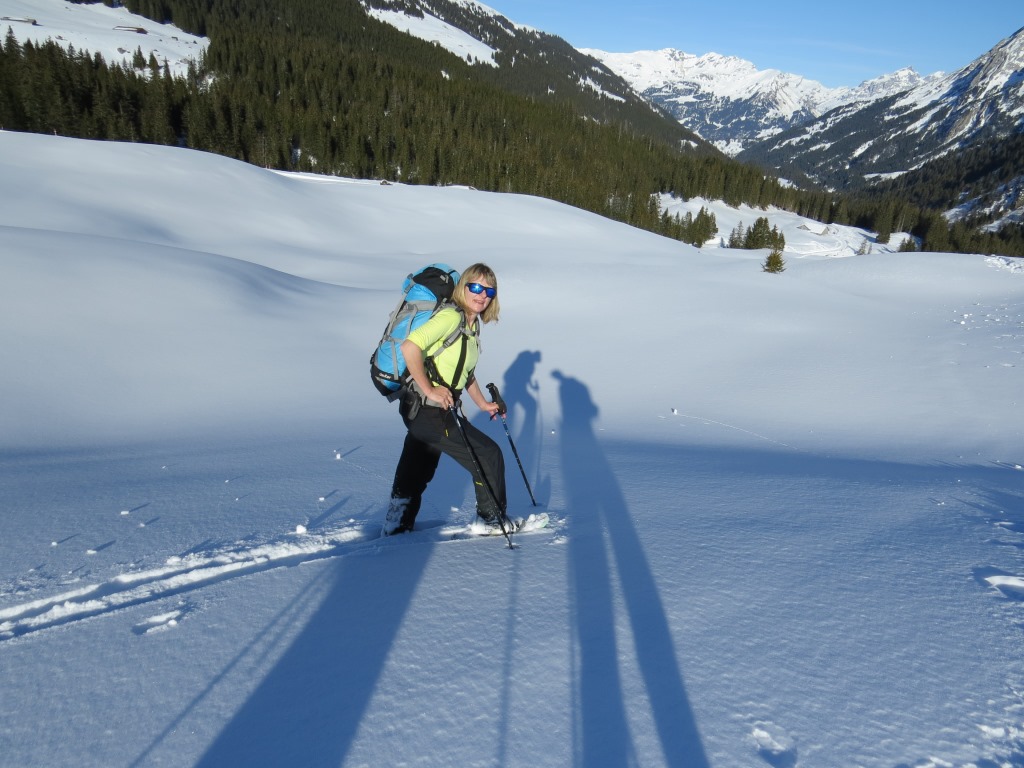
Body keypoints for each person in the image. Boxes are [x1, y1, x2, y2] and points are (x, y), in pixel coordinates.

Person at [382, 263, 510, 536]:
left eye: (489, 289)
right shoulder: (451, 317)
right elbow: (410, 347)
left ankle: (396, 525)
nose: (482, 294)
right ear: (463, 287)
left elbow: (466, 373)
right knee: (488, 455)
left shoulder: (470, 326)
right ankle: (490, 521)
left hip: (426, 411)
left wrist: (483, 404)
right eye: (475, 287)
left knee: (417, 469)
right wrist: (429, 389)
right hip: (429, 409)